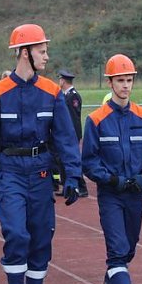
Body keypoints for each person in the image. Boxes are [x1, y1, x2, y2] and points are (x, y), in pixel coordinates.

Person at [0, 23, 82, 284]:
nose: (46, 56)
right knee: (17, 234)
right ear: (24, 53)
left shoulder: (52, 93)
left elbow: (65, 138)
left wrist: (72, 175)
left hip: (41, 172)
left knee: (41, 238)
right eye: (41, 51)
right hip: (10, 172)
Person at [82, 54, 142, 284]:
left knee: (129, 248)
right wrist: (111, 180)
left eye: (129, 80)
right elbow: (89, 161)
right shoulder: (96, 119)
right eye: (120, 81)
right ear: (110, 82)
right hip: (111, 194)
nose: (125, 86)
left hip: (135, 193)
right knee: (117, 249)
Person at [57, 69, 88, 197]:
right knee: (62, 160)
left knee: (73, 159)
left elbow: (74, 118)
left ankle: (82, 187)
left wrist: (73, 135)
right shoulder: (65, 95)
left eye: (60, 79)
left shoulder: (73, 96)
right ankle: (66, 186)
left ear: (63, 81)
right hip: (65, 134)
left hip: (71, 134)